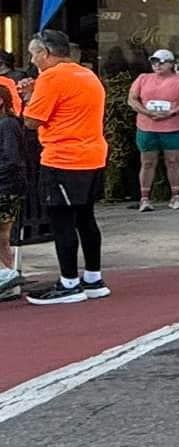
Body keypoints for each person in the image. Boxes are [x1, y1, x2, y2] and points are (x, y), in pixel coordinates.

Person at [22, 30, 110, 305]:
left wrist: (28, 98)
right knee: (86, 218)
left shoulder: (52, 77)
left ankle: (69, 282)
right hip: (93, 154)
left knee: (62, 221)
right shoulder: (86, 74)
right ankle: (93, 278)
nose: (32, 59)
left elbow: (32, 120)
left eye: (34, 53)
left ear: (46, 53)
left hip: (64, 157)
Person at [129, 48, 179, 211]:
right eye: (154, 62)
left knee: (173, 161)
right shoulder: (143, 79)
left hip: (174, 126)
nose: (157, 65)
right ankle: (144, 198)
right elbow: (132, 99)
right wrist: (147, 112)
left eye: (161, 62)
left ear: (171, 64)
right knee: (147, 162)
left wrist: (172, 112)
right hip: (147, 126)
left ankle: (175, 196)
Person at [0, 91, 26, 300]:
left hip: (5, 186)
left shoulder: (7, 124)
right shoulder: (9, 123)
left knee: (3, 235)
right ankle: (7, 276)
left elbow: (12, 159)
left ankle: (5, 274)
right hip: (8, 186)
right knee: (3, 237)